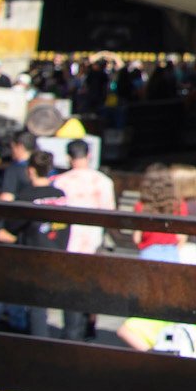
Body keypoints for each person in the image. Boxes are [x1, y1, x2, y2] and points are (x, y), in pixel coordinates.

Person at [0, 152, 70, 336]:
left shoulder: (27, 196)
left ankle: (37, 343)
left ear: (30, 170)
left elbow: (5, 231)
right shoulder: (60, 195)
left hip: (34, 255)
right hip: (58, 252)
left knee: (36, 307)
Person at [50, 140, 115, 335]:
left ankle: (71, 329)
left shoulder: (60, 182)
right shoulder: (103, 181)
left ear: (68, 157)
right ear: (89, 155)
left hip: (69, 241)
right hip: (93, 240)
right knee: (92, 286)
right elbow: (109, 213)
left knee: (70, 287)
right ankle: (89, 325)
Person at [131, 164, 194, 264]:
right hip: (171, 253)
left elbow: (136, 238)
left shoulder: (141, 206)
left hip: (148, 253)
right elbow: (182, 237)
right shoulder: (179, 205)